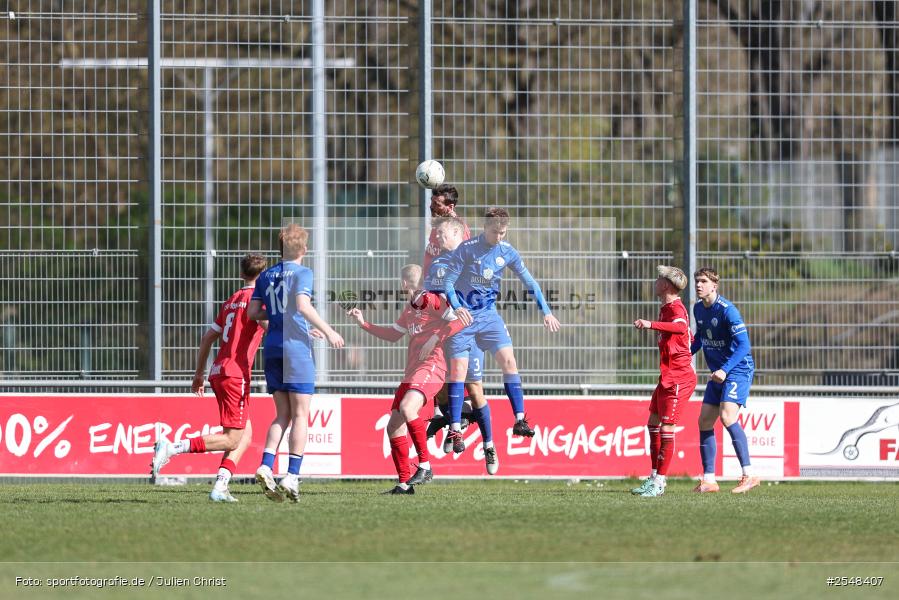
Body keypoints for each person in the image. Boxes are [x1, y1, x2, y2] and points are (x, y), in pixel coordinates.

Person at [151, 254, 268, 502]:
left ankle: (220, 487)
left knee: (245, 435)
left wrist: (198, 374)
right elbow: (271, 326)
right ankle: (171, 447)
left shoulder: (231, 300)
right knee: (232, 437)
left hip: (219, 371)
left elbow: (207, 338)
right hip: (236, 373)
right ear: (264, 276)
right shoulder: (257, 302)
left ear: (241, 274)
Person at [442, 207, 561, 452]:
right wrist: (456, 306)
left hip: (489, 316)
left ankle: (519, 420)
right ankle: (455, 429)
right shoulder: (466, 249)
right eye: (495, 232)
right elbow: (448, 282)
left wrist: (546, 311)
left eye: (503, 232)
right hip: (464, 318)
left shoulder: (507, 252)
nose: (499, 237)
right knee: (459, 372)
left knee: (509, 361)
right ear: (485, 228)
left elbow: (530, 282)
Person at [347, 264, 468, 494]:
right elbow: (393, 335)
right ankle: (404, 485)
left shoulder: (432, 300)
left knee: (407, 408)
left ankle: (425, 466)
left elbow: (460, 321)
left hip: (432, 366)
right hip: (412, 372)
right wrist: (363, 323)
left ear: (404, 283)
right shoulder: (411, 308)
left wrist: (434, 339)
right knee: (393, 426)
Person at [247, 224, 344, 503]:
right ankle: (291, 476)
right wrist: (328, 331)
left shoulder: (266, 275)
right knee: (301, 415)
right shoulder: (303, 272)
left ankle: (266, 465)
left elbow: (254, 311)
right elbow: (302, 305)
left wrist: (286, 319)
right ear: (303, 249)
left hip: (274, 347)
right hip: (296, 350)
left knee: (282, 415)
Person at [426, 217, 498, 474]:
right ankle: (454, 425)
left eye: (442, 233)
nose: (437, 238)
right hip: (447, 334)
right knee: (443, 391)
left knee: (474, 388)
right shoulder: (438, 264)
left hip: (471, 334)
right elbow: (430, 297)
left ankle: (489, 445)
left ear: (457, 234)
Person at [691, 267, 760, 494]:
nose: (698, 285)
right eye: (696, 281)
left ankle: (749, 475)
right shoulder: (698, 309)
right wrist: (683, 356)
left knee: (727, 416)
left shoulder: (728, 311)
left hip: (738, 370)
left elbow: (744, 346)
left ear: (714, 285)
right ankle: (709, 480)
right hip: (718, 373)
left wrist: (724, 369)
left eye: (703, 281)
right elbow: (700, 338)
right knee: (704, 421)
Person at [631, 265, 697, 497]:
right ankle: (653, 477)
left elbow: (680, 327)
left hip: (680, 377)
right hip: (667, 376)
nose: (655, 280)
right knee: (652, 423)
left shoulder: (676, 308)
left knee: (667, 428)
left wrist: (650, 324)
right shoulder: (666, 308)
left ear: (666, 285)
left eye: (659, 278)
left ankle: (660, 482)